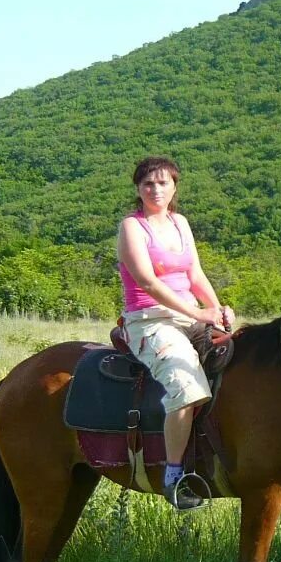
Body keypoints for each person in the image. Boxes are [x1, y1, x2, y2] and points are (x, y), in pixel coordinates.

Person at [116, 156, 234, 510]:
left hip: (190, 315)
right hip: (149, 320)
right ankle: (174, 476)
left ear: (174, 187)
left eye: (163, 183)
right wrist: (198, 312)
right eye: (148, 183)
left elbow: (195, 274)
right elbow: (148, 282)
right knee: (186, 386)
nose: (156, 189)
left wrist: (218, 310)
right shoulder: (132, 228)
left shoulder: (180, 223)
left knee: (242, 359)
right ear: (138, 188)